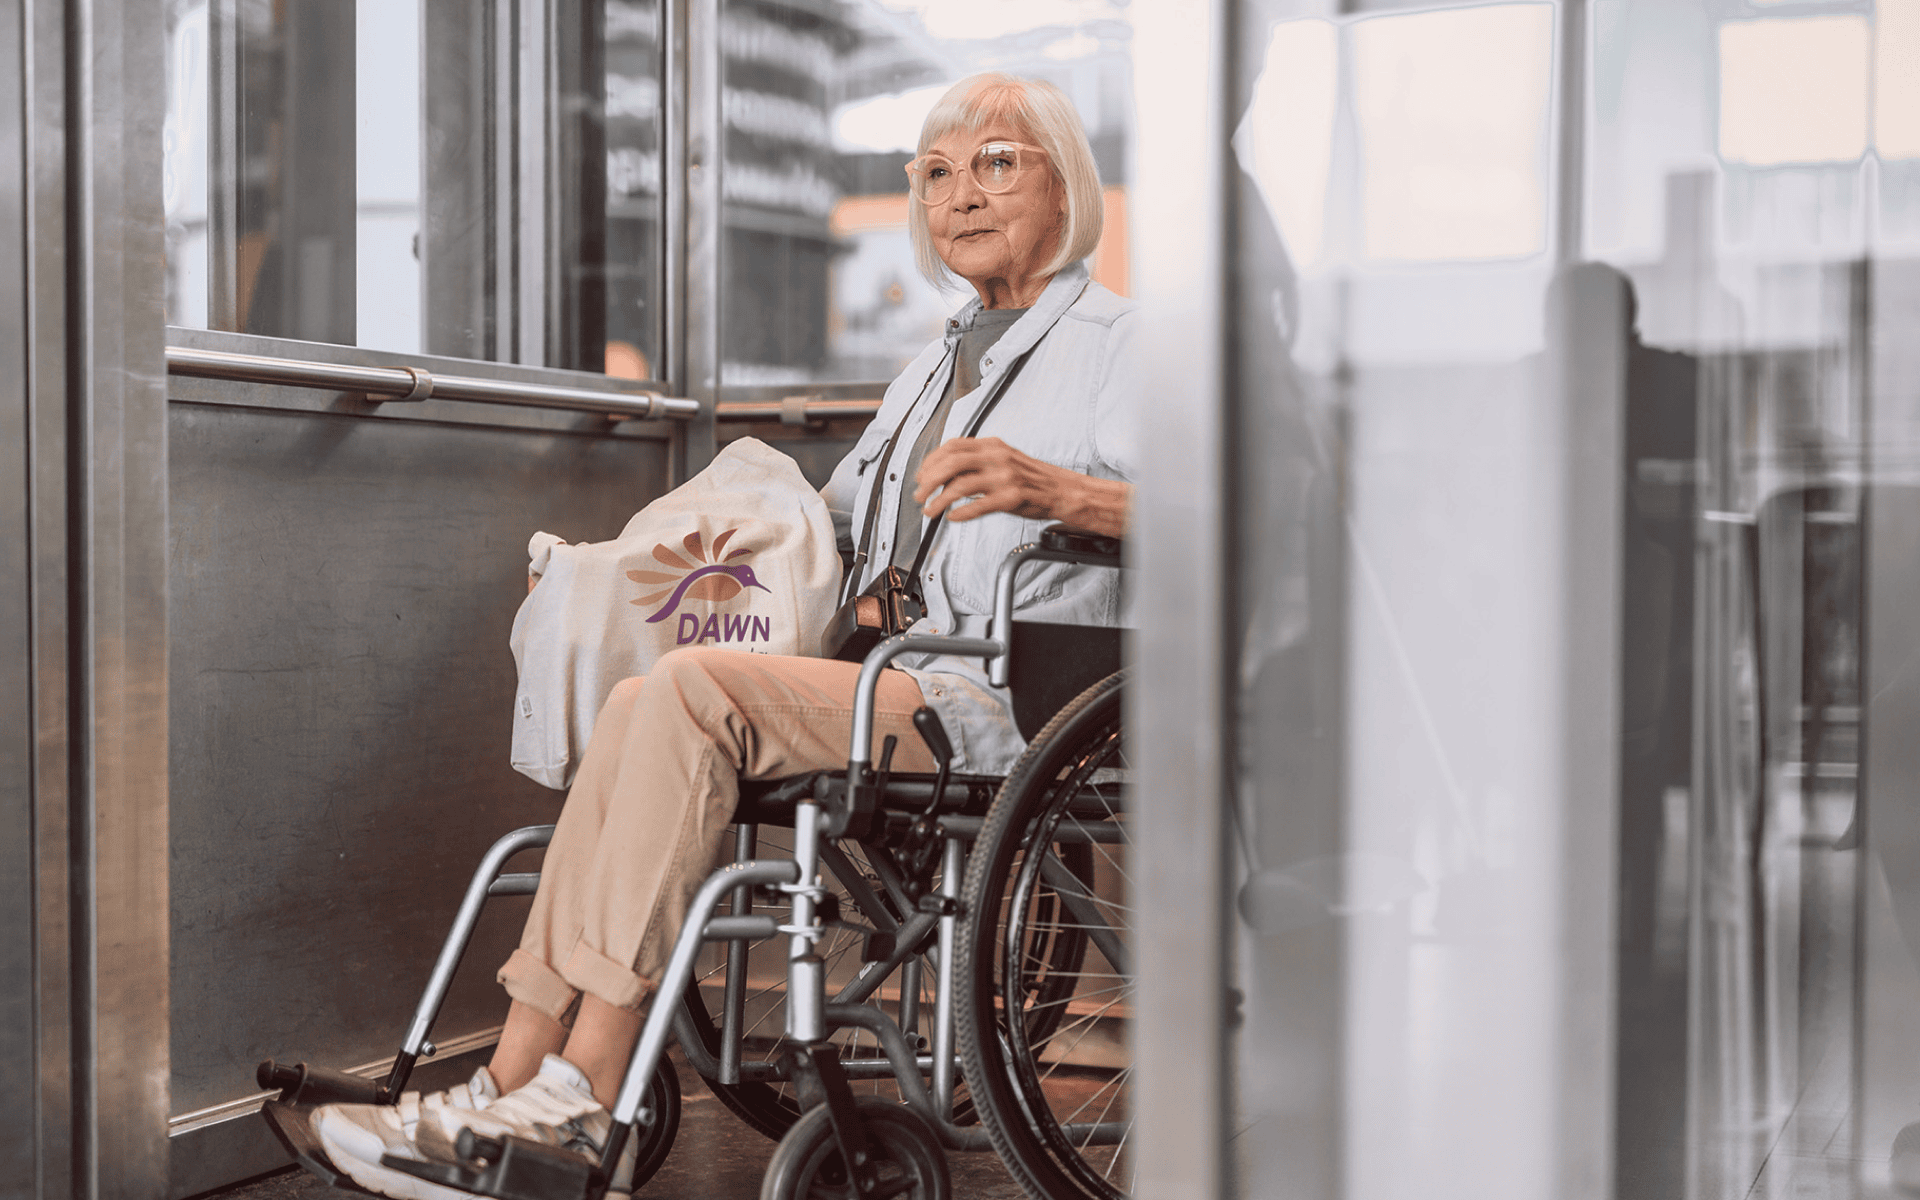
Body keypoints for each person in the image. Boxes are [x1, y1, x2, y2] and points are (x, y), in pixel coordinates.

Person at [310, 70, 1140, 1198]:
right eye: (937, 174)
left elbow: (1236, 516)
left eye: (998, 163)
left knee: (691, 693)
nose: (963, 196)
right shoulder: (933, 364)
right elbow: (831, 528)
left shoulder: (1120, 347)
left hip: (999, 693)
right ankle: (505, 1086)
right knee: (636, 695)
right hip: (886, 676)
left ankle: (583, 1100)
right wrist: (676, 552)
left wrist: (1055, 490)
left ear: (1065, 184)